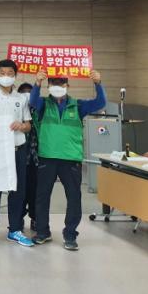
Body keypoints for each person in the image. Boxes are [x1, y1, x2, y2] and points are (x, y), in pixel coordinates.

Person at [30, 69, 106, 250]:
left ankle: (70, 234)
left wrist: (97, 83)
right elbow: (32, 101)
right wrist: (37, 83)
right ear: (49, 86)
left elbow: (100, 102)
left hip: (71, 159)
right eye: (53, 83)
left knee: (73, 197)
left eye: (61, 83)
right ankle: (42, 232)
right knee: (42, 197)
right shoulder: (43, 104)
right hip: (47, 157)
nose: (57, 87)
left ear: (67, 86)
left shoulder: (78, 106)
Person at [0, 60, 34, 247]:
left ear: (15, 76)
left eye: (10, 73)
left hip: (18, 148)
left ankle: (15, 230)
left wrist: (21, 126)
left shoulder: (21, 98)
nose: (6, 76)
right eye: (3, 73)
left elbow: (28, 125)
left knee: (17, 190)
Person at [18, 82, 39, 232]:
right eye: (23, 92)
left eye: (29, 92)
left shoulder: (39, 110)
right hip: (20, 158)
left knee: (35, 192)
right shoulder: (16, 111)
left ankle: (35, 219)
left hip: (37, 159)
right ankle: (17, 219)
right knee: (19, 192)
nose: (26, 95)